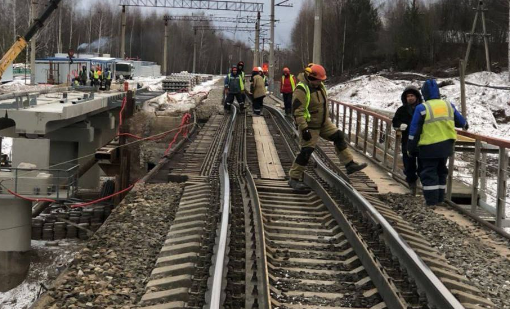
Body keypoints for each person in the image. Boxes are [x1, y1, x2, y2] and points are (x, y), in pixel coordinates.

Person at [288, 64, 367, 190]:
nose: (321, 82)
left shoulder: (319, 86)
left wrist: (325, 120)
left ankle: (349, 164)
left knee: (338, 136)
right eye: (319, 80)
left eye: (322, 80)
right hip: (310, 126)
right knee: (306, 151)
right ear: (310, 77)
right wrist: (304, 128)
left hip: (323, 123)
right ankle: (294, 178)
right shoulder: (301, 89)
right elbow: (298, 111)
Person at [408, 79, 468, 206]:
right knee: (441, 171)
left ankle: (431, 202)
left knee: (429, 173)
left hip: (429, 147)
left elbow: (414, 130)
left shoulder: (422, 108)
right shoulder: (448, 105)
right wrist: (465, 124)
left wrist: (411, 148)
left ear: (424, 93)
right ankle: (440, 199)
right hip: (446, 146)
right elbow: (461, 122)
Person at [392, 85, 422, 195]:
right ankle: (412, 185)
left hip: (421, 140)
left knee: (422, 164)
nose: (410, 98)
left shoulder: (423, 109)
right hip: (407, 141)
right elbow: (394, 122)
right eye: (408, 96)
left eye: (412, 95)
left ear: (417, 97)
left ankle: (423, 186)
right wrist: (399, 125)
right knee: (408, 164)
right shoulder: (401, 110)